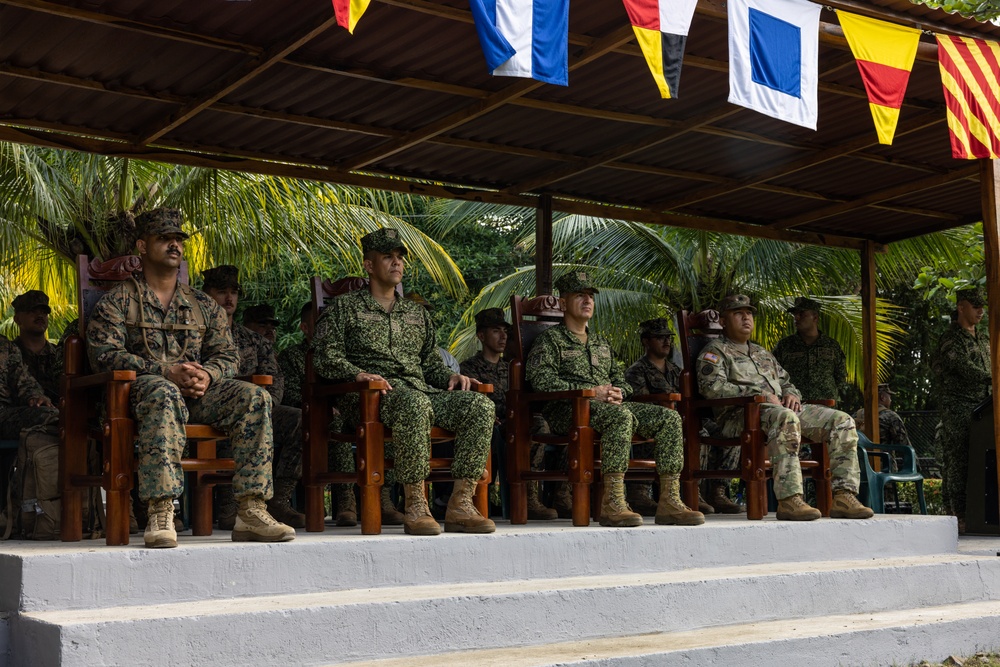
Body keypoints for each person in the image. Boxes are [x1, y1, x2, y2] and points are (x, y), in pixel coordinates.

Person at [86, 207, 295, 548]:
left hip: (198, 396)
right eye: (164, 238)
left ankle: (250, 510)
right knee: (162, 391)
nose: (174, 245)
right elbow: (103, 355)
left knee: (254, 396)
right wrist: (165, 371)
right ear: (142, 245)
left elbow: (228, 355)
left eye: (178, 240)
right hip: (139, 397)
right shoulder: (119, 300)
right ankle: (161, 509)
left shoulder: (201, 304)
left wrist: (209, 376)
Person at [311, 228, 495, 535]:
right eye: (387, 257)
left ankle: (460, 503)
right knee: (414, 403)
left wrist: (451, 375)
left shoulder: (416, 313)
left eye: (399, 257)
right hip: (369, 397)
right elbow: (324, 357)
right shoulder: (344, 308)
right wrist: (357, 374)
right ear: (369, 265)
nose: (397, 263)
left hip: (418, 391)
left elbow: (431, 367)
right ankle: (415, 504)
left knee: (478, 405)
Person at [527, 272, 703, 527]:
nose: (587, 300)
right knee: (620, 417)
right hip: (569, 409)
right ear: (563, 304)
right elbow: (541, 382)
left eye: (590, 296)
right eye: (579, 295)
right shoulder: (550, 340)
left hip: (607, 407)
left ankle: (669, 501)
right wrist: (590, 392)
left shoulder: (601, 342)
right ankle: (613, 502)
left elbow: (620, 380)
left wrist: (619, 391)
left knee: (669, 418)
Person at [698, 294, 872, 521]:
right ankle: (790, 499)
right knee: (786, 418)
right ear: (723, 321)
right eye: (738, 313)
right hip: (741, 416)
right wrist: (757, 394)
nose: (746, 318)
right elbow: (711, 387)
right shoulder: (715, 352)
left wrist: (791, 393)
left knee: (842, 420)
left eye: (749, 313)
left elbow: (786, 381)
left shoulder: (762, 353)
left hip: (779, 410)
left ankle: (843, 496)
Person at [202, 266, 305, 529]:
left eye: (233, 292)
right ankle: (229, 504)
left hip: (258, 406)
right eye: (221, 291)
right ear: (206, 295)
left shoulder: (254, 340)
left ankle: (278, 500)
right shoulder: (195, 335)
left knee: (300, 421)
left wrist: (264, 405)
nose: (228, 298)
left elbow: (274, 379)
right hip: (207, 407)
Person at [625, 318, 742, 515]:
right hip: (653, 423)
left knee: (730, 430)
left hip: (685, 419)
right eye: (659, 338)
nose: (666, 342)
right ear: (646, 341)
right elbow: (640, 405)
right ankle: (642, 493)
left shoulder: (677, 371)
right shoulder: (636, 371)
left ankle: (717, 490)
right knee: (691, 431)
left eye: (668, 338)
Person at [461, 307, 558, 520]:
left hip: (513, 423)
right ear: (481, 335)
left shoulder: (513, 369)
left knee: (541, 423)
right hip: (489, 425)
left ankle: (530, 495)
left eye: (505, 331)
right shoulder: (469, 369)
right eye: (496, 331)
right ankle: (501, 498)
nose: (503, 336)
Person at [277, 301, 357, 526]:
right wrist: (320, 407)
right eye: (318, 322)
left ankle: (347, 501)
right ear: (304, 328)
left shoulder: (344, 357)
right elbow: (289, 392)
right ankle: (299, 501)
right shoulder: (292, 356)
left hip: (343, 413)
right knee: (325, 422)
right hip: (310, 414)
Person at [933, 287, 991, 532]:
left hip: (985, 408)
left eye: (982, 306)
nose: (980, 310)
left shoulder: (984, 336)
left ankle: (983, 515)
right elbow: (963, 368)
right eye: (975, 305)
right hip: (959, 408)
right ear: (961, 307)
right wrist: (993, 379)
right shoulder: (951, 338)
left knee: (982, 460)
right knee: (958, 461)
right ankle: (957, 517)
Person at [772, 297, 848, 403]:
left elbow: (840, 376)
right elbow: (773, 374)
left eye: (802, 314)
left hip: (826, 406)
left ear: (815, 318)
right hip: (794, 406)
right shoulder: (784, 345)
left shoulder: (831, 345)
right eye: (795, 314)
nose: (796, 318)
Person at [11, 290, 62, 403]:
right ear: (17, 319)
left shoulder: (59, 354)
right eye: (32, 311)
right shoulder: (8, 355)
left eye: (44, 312)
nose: (40, 316)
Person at [405, 292, 461, 373]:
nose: (420, 321)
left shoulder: (448, 359)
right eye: (413, 317)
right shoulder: (394, 355)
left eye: (424, 315)